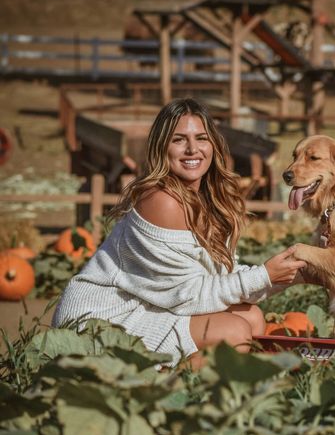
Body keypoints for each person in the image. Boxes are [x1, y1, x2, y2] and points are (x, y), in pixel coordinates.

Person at [52, 98, 306, 368]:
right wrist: (265, 275)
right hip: (104, 316)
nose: (192, 149)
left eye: (201, 138)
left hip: (151, 301)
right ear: (162, 147)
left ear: (214, 145)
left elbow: (220, 277)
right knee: (234, 333)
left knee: (253, 318)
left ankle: (202, 385)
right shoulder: (162, 200)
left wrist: (291, 275)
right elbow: (188, 295)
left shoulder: (207, 199)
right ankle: (157, 391)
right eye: (179, 140)